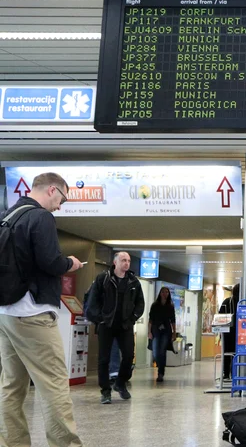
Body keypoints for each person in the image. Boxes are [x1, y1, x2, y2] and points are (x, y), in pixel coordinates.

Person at [0, 172, 84, 446]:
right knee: (54, 383)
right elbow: (50, 261)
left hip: (6, 313)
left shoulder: (8, 215)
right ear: (51, 190)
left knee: (12, 386)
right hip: (32, 314)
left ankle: (14, 443)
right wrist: (69, 263)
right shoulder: (41, 217)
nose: (61, 205)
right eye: (62, 198)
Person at [87, 251, 144, 404]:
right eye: (123, 260)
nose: (127, 263)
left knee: (128, 356)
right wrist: (100, 319)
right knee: (103, 359)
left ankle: (120, 383)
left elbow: (140, 303)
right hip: (107, 324)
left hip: (125, 324)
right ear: (115, 263)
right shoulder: (103, 279)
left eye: (129, 260)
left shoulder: (133, 282)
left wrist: (132, 318)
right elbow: (93, 301)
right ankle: (105, 391)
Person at [149, 286, 177, 382]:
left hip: (166, 330)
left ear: (168, 294)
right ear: (160, 293)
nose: (165, 294)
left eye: (167, 292)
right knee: (156, 352)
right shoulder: (155, 305)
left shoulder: (170, 306)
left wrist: (174, 332)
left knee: (162, 351)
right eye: (163, 292)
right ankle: (160, 366)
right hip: (156, 330)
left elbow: (173, 320)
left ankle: (161, 373)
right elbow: (151, 319)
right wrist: (149, 332)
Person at [219, 283, 240, 379]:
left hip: (227, 332)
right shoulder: (243, 302)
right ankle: (234, 372)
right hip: (238, 332)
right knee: (236, 353)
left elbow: (220, 317)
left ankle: (226, 373)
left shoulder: (226, 302)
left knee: (227, 353)